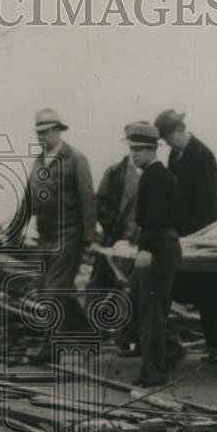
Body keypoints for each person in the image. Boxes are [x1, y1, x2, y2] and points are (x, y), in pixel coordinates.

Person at [9, 108, 98, 352]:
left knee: (54, 291)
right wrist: (13, 230)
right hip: (45, 235)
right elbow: (29, 199)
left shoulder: (76, 159)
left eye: (46, 132)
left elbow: (87, 199)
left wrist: (89, 238)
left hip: (69, 234)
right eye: (38, 133)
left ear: (58, 131)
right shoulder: (38, 161)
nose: (41, 137)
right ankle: (89, 336)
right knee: (45, 286)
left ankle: (50, 347)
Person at [155, 108, 217, 363]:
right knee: (200, 291)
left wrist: (191, 237)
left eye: (169, 137)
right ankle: (216, 347)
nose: (167, 143)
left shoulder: (201, 155)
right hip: (186, 233)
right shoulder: (175, 155)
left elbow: (206, 201)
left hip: (204, 234)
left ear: (180, 130)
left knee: (213, 291)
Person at [127, 123, 182, 386]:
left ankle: (154, 371)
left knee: (151, 312)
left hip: (157, 246)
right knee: (151, 309)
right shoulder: (156, 175)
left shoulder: (156, 178)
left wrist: (146, 249)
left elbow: (155, 219)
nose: (134, 155)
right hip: (162, 245)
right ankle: (161, 361)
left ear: (152, 150)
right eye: (132, 149)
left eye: (139, 150)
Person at [91, 120, 148, 355]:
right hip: (115, 241)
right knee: (100, 286)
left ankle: (128, 339)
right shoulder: (115, 172)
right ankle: (93, 337)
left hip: (140, 242)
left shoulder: (155, 171)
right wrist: (112, 226)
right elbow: (100, 202)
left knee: (134, 290)